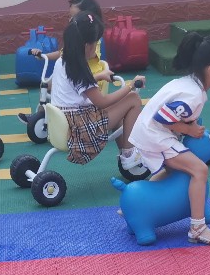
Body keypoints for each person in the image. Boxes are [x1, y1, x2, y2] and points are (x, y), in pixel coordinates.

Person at [128, 32, 210, 245]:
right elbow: (164, 117)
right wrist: (189, 130)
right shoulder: (193, 95)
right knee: (200, 170)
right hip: (155, 134)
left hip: (148, 130)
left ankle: (137, 203)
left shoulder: (189, 83)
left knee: (172, 170)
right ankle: (198, 228)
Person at [49, 12, 145, 176]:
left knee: (119, 110)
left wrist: (99, 76)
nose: (96, 48)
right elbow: (102, 101)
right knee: (133, 99)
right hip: (82, 130)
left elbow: (74, 85)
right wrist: (131, 85)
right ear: (87, 45)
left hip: (67, 122)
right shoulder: (80, 69)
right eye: (96, 43)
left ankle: (125, 154)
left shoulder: (63, 60)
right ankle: (130, 155)